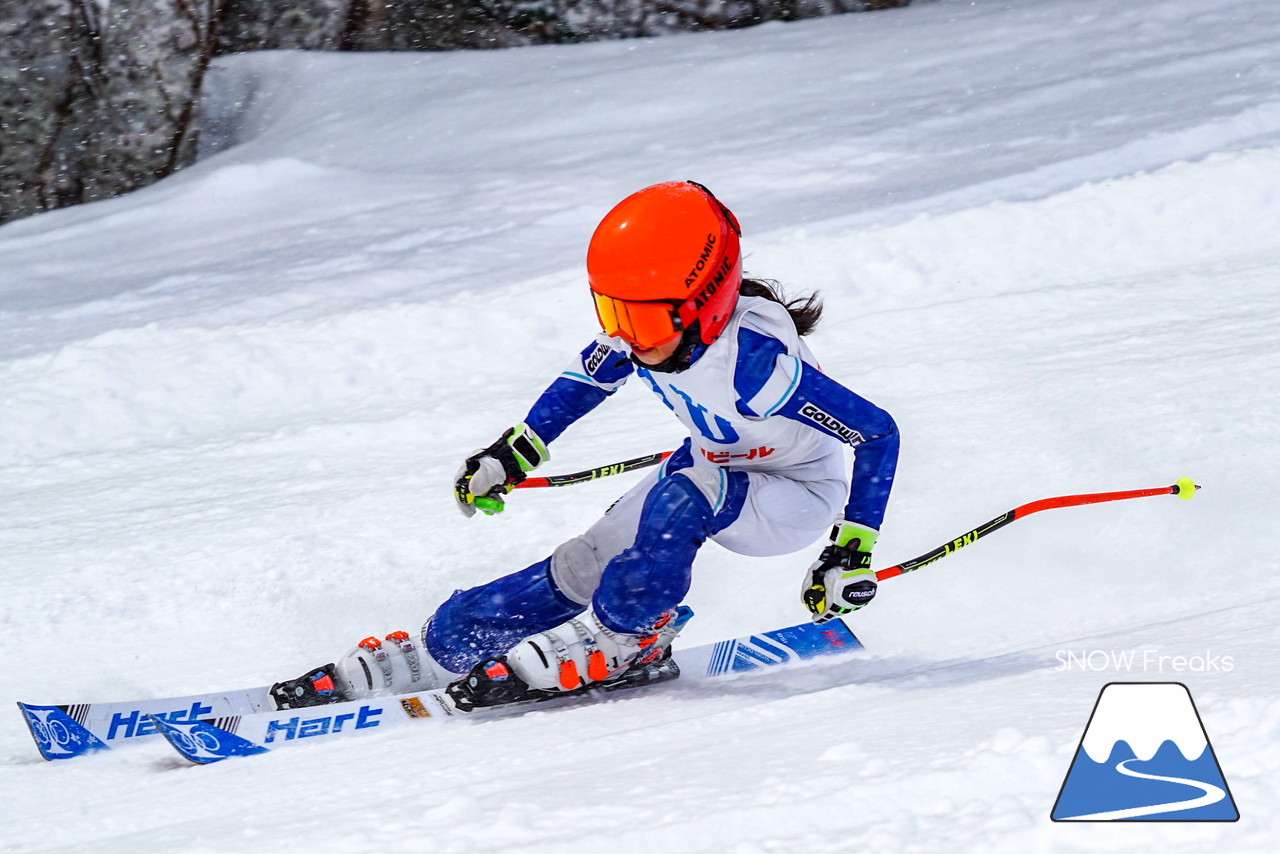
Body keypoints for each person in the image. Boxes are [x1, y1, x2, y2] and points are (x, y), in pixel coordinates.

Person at [270, 181, 899, 712]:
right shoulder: (644, 331)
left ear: (704, 304)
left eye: (643, 320)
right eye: (611, 312)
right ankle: (448, 645)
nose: (626, 336)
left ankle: (629, 636)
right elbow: (584, 380)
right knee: (584, 559)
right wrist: (512, 452)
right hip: (712, 471)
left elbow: (876, 431)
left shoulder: (755, 365)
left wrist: (852, 546)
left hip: (794, 496)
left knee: (683, 494)